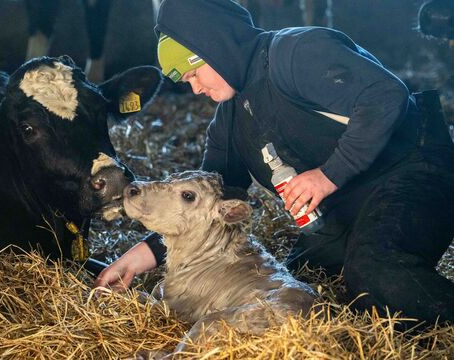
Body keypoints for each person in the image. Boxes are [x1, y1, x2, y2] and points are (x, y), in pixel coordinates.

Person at [94, 0, 454, 325]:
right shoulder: (229, 119)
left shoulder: (296, 52)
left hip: (414, 168)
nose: (194, 89)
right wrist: (145, 254)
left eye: (193, 74)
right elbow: (206, 200)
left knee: (374, 271)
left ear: (215, 47)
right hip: (351, 203)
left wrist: (329, 175)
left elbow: (386, 96)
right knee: (296, 289)